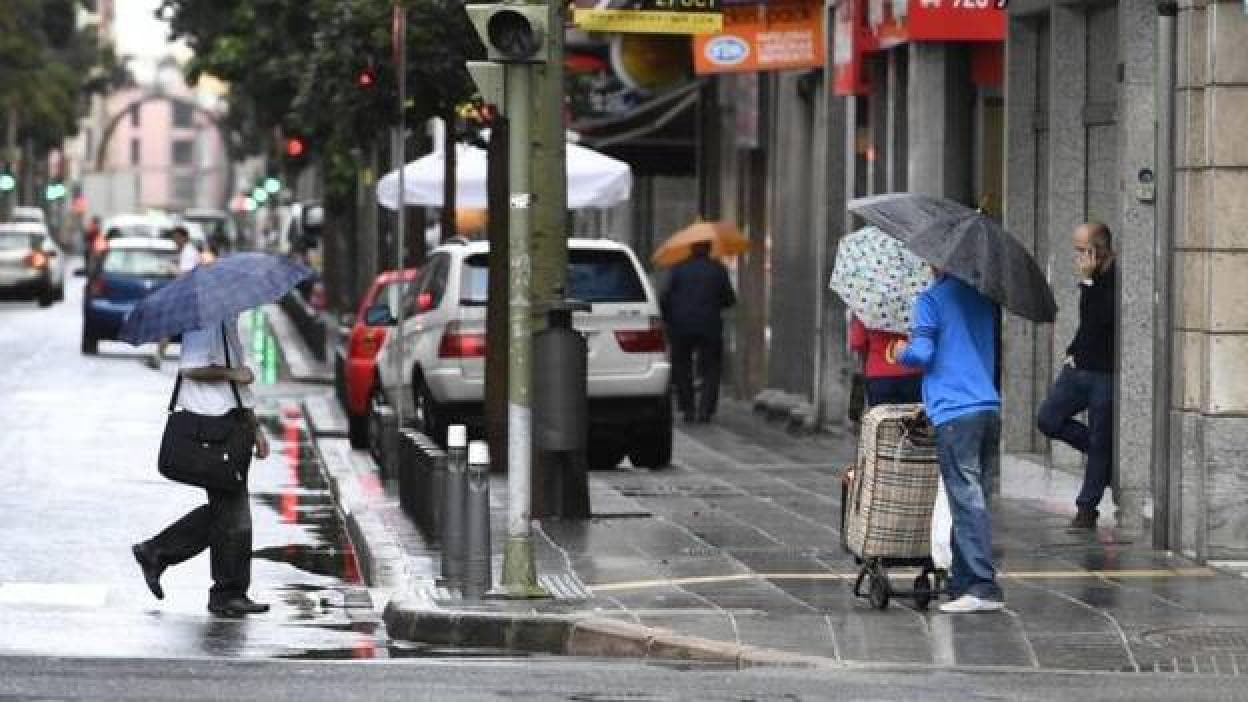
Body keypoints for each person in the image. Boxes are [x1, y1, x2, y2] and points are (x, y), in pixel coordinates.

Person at [131, 314, 272, 617]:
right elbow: (190, 368)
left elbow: (237, 392)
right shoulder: (205, 322)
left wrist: (256, 429)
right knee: (233, 516)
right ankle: (223, 592)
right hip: (209, 428)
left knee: (231, 516)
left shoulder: (227, 323)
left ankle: (159, 554)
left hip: (231, 426)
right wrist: (234, 373)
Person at [897, 270, 1004, 614]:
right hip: (987, 406)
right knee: (976, 496)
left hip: (955, 410)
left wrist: (902, 351)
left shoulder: (931, 300)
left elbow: (923, 354)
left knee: (965, 498)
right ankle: (963, 581)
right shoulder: (985, 298)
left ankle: (981, 586)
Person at [1037, 222, 1116, 529]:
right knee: (1048, 418)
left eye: (1083, 250)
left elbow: (1100, 320)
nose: (1078, 257)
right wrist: (1071, 350)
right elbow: (1086, 327)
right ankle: (1105, 460)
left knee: (1100, 436)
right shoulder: (1093, 279)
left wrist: (1086, 282)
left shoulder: (1112, 279)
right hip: (1078, 367)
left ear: (1099, 250)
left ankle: (1087, 507)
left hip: (1104, 373)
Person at [661, 240, 736, 424]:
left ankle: (688, 409)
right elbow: (729, 299)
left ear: (691, 248)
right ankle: (705, 410)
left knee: (682, 367)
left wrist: (669, 319)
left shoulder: (678, 269)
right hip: (709, 326)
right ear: (709, 248)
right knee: (712, 367)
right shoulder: (718, 269)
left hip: (681, 326)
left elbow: (665, 297)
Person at [147, 227, 201, 369]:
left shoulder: (189, 253)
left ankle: (159, 357)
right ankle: (159, 357)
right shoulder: (187, 252)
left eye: (176, 238)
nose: (174, 241)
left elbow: (185, 275)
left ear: (183, 238)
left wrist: (170, 267)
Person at [849, 315, 922, 407]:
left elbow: (857, 342)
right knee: (913, 418)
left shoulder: (866, 307)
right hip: (913, 374)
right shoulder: (916, 306)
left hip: (879, 377)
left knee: (883, 418)